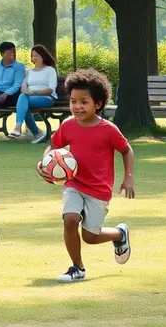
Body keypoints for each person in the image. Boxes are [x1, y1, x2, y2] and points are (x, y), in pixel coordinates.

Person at [37, 69, 134, 284]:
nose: (77, 106)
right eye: (73, 101)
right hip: (74, 184)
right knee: (70, 220)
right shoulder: (68, 125)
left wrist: (128, 177)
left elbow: (127, 150)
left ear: (98, 104)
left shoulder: (108, 129)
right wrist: (44, 163)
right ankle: (77, 268)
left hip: (98, 190)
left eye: (84, 101)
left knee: (90, 237)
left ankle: (119, 234)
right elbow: (54, 145)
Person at [8, 45, 58, 143]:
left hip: (47, 98)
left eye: (37, 55)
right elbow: (23, 86)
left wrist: (34, 92)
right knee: (23, 102)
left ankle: (23, 129)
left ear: (43, 56)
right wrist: (26, 91)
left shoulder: (50, 70)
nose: (34, 58)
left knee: (23, 102)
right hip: (29, 98)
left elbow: (51, 90)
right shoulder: (29, 71)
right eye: (32, 56)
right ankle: (36, 134)